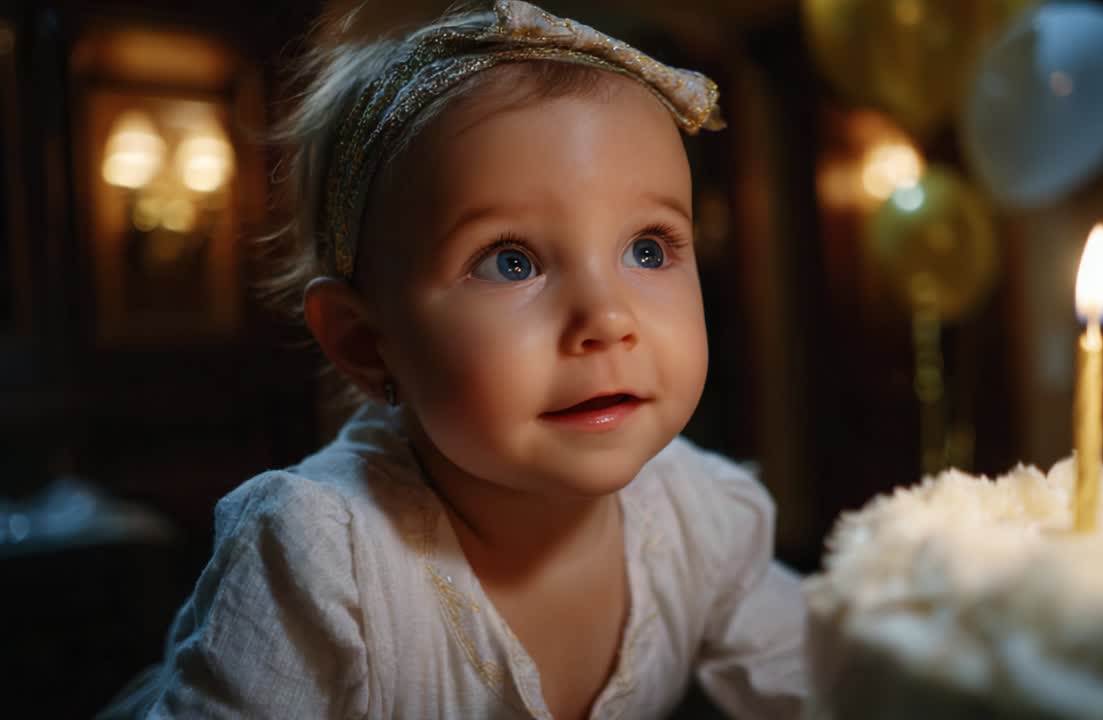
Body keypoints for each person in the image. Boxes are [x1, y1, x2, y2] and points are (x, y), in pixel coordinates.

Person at [100, 1, 805, 717]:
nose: (607, 319)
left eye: (647, 248)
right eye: (510, 261)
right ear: (364, 342)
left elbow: (832, 686)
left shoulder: (701, 515)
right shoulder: (323, 559)